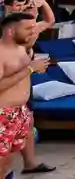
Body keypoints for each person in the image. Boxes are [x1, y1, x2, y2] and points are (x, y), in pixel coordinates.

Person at [0, 13, 47, 179]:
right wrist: (30, 69)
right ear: (11, 31)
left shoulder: (21, 48)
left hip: (20, 111)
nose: (33, 32)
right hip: (3, 113)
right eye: (28, 29)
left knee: (7, 160)